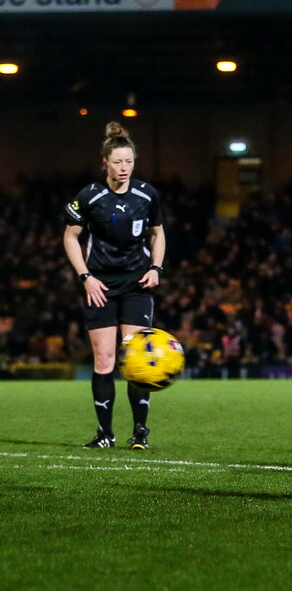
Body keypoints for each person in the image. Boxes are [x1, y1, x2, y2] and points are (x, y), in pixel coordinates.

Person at [63, 121, 167, 450]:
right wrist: (86, 277)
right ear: (105, 162)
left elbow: (158, 233)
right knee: (104, 361)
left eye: (129, 161)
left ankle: (140, 432)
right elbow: (70, 237)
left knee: (136, 358)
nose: (124, 167)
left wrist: (156, 268)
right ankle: (105, 434)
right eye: (118, 161)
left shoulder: (147, 194)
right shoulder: (89, 196)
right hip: (100, 286)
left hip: (137, 283)